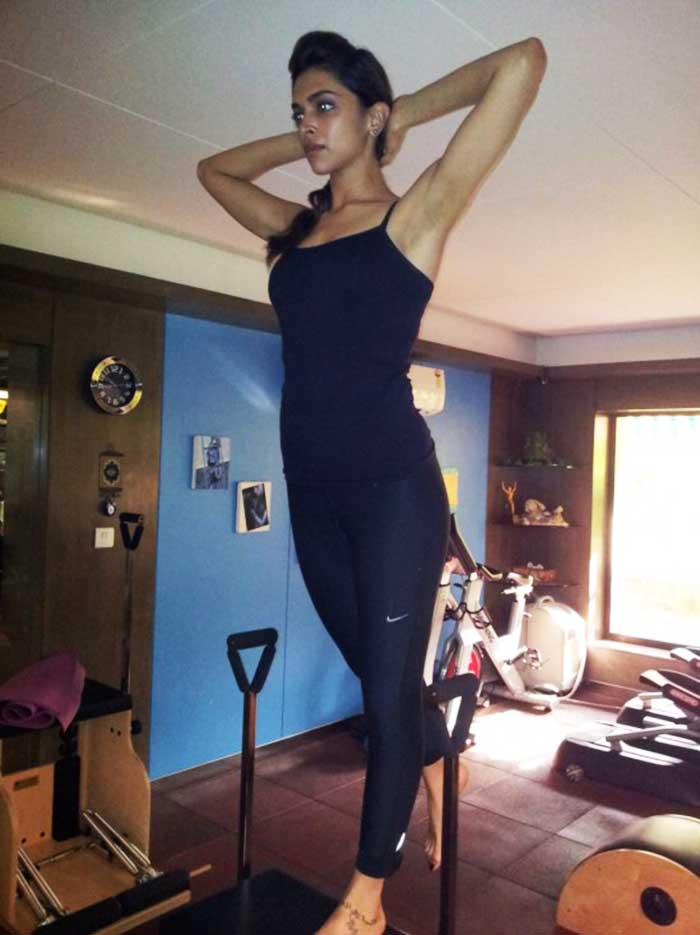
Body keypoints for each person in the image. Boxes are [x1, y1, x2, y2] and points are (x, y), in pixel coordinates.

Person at [197, 29, 546, 935]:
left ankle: (366, 899)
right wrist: (324, 133)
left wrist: (398, 118)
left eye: (325, 106)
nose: (308, 126)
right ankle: (438, 767)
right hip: (313, 491)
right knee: (379, 675)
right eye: (298, 111)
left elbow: (524, 62)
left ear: (372, 114)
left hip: (396, 489)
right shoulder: (297, 229)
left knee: (386, 696)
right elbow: (213, 171)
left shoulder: (413, 218)